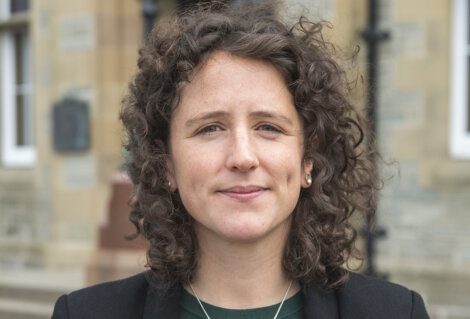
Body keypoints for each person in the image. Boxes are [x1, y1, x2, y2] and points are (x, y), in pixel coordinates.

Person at [52, 2, 429, 318]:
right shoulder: (85, 313)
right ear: (165, 164)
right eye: (210, 129)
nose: (243, 157)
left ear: (307, 160)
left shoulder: (395, 312)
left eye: (268, 127)